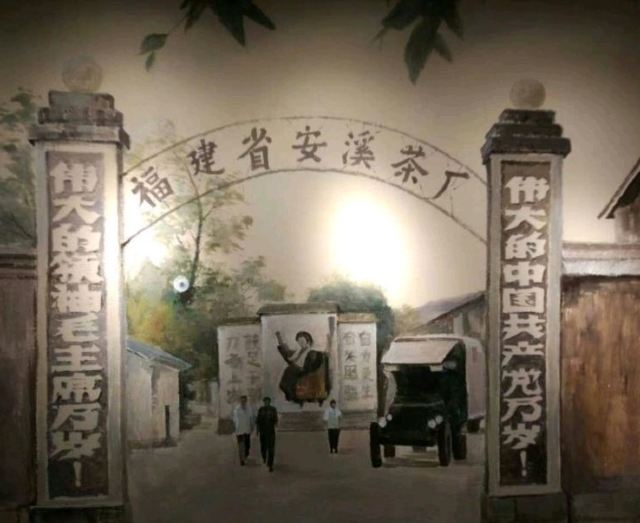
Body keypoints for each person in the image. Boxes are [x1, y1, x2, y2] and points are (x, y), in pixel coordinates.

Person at [276, 330, 330, 406]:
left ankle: (291, 393)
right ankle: (289, 392)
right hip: (296, 369)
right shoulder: (299, 351)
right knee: (288, 373)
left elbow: (315, 361)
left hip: (303, 370)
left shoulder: (312, 352)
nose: (300, 343)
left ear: (308, 341)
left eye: (302, 341)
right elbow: (289, 356)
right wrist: (279, 338)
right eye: (299, 341)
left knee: (289, 372)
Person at [256, 396, 278, 472]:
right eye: (265, 401)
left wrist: (275, 423)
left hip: (271, 432)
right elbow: (258, 420)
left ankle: (270, 464)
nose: (266, 403)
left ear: (269, 402)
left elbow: (275, 419)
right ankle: (264, 457)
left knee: (271, 449)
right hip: (263, 432)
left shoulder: (273, 409)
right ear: (264, 402)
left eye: (268, 401)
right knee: (263, 447)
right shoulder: (261, 409)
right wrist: (257, 430)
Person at [232, 395, 254, 466]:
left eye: (244, 400)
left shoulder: (249, 408)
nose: (243, 402)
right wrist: (235, 426)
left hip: (247, 429)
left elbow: (251, 418)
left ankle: (246, 455)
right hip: (239, 430)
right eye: (242, 400)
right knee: (241, 445)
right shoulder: (237, 409)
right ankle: (242, 459)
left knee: (247, 445)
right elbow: (234, 419)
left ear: (246, 401)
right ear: (240, 401)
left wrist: (252, 425)